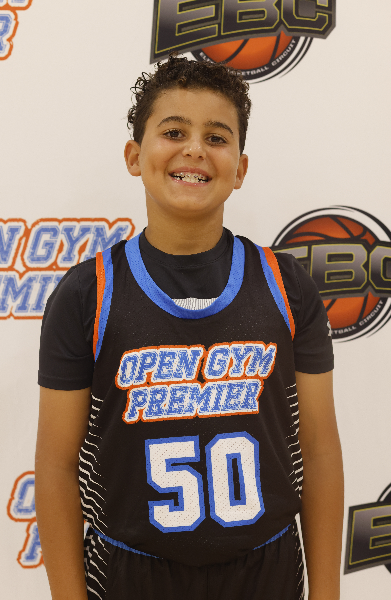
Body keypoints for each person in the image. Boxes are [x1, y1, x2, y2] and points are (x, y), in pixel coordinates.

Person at [35, 55, 344, 600]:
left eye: (216, 137)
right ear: (135, 156)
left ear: (240, 169)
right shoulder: (88, 294)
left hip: (266, 569)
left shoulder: (286, 286)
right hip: (129, 572)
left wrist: (327, 593)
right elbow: (56, 465)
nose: (195, 150)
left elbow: (318, 450)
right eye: (174, 132)